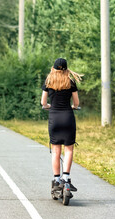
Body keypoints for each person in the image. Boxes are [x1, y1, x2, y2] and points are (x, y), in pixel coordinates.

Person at [40, 58, 82, 192]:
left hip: (54, 118)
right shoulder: (70, 82)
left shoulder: (49, 81)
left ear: (53, 68)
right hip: (67, 117)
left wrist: (47, 106)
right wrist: (73, 106)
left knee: (56, 151)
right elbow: (76, 103)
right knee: (68, 149)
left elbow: (43, 102)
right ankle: (66, 178)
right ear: (66, 69)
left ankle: (57, 179)